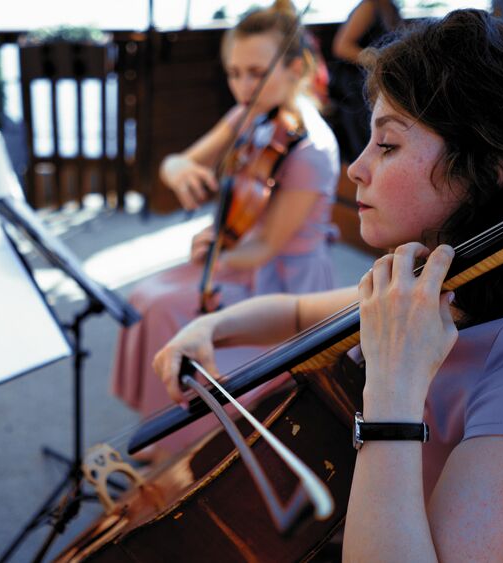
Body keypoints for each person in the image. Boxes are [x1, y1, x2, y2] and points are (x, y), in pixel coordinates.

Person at [153, 9, 503, 562]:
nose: (355, 168)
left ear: (488, 169)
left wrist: (394, 387)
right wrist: (214, 325)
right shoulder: (441, 282)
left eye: (388, 145)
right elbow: (304, 312)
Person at [111, 0, 341, 460]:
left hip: (281, 276)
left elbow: (265, 247)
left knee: (163, 306)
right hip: (237, 256)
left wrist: (215, 250)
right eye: (234, 73)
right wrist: (178, 172)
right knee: (142, 298)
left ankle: (176, 445)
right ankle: (163, 429)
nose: (243, 86)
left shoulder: (312, 149)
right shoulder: (247, 118)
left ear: (295, 68)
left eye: (256, 72)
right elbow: (179, 161)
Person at [328, 0, 402, 164]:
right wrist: (377, 59)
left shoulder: (390, 8)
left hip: (373, 87)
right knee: (363, 144)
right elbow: (341, 46)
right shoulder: (369, 7)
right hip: (357, 91)